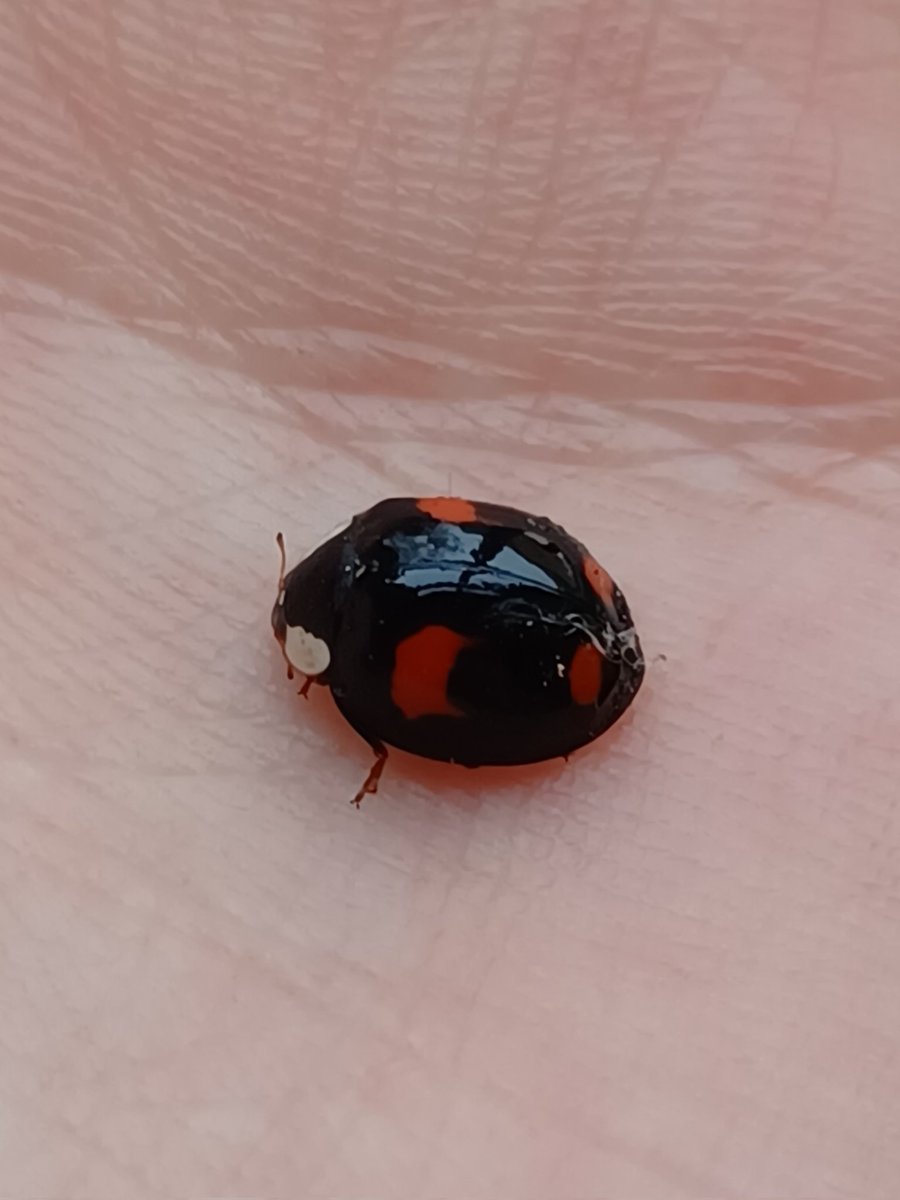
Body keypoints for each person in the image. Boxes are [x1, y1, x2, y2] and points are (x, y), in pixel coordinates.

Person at [2, 1, 898, 1194]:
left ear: (317, 649)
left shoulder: (363, 653)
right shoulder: (370, 541)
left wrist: (382, 735)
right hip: (569, 616)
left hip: (565, 636)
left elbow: (408, 695)